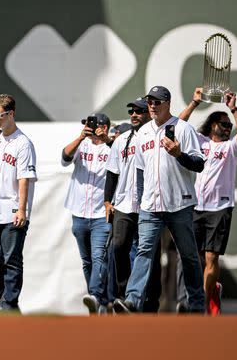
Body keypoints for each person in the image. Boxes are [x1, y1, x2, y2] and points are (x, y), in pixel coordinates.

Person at [114, 86, 205, 314]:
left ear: (167, 103)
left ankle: (196, 303)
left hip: (180, 203)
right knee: (144, 252)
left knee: (189, 255)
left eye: (156, 102)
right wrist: (142, 199)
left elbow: (199, 163)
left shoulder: (183, 129)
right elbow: (140, 170)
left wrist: (179, 154)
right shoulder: (143, 133)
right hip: (151, 206)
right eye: (150, 102)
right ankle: (133, 300)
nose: (152, 106)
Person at [176, 87, 237, 315]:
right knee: (191, 256)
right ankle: (193, 297)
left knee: (211, 256)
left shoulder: (230, 148)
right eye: (223, 124)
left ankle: (203, 305)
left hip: (220, 208)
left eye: (229, 125)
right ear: (211, 125)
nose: (227, 128)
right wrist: (194, 102)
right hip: (195, 206)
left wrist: (234, 109)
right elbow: (177, 126)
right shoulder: (199, 141)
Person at [0, 94, 37, 313]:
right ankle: (6, 290)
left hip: (12, 210)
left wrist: (21, 209)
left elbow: (24, 179)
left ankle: (9, 304)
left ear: (11, 114)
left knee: (12, 259)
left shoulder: (23, 143)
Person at [104, 98, 161, 312]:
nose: (134, 115)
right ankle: (124, 296)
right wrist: (108, 201)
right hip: (124, 203)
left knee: (150, 255)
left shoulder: (156, 137)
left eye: (139, 111)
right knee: (119, 247)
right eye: (132, 111)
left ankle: (150, 303)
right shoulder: (122, 140)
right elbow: (112, 173)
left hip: (150, 204)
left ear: (149, 113)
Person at [62, 112, 112, 314]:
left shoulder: (112, 146)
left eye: (93, 125)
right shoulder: (82, 144)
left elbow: (124, 157)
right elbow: (65, 158)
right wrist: (81, 136)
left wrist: (107, 138)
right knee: (87, 260)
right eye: (87, 125)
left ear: (104, 127)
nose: (89, 128)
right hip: (79, 211)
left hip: (101, 212)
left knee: (99, 256)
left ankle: (95, 295)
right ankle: (99, 300)